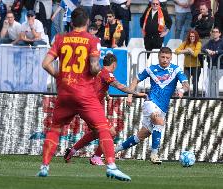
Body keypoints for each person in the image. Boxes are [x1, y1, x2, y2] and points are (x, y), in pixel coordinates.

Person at [37, 7, 131, 181]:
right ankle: (111, 165)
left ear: (71, 22)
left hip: (64, 93)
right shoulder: (92, 40)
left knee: (55, 128)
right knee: (103, 128)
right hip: (84, 93)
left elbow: (45, 64)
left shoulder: (60, 39)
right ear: (87, 22)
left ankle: (44, 166)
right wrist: (96, 73)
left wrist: (59, 75)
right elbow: (95, 67)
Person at [63, 53, 146, 166]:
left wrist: (106, 94)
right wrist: (137, 93)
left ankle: (71, 151)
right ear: (114, 64)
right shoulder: (107, 74)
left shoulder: (99, 72)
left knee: (96, 133)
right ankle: (96, 157)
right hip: (90, 108)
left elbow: (97, 85)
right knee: (110, 132)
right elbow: (119, 86)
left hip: (84, 106)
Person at [115, 47, 189, 164]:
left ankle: (114, 150)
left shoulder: (176, 70)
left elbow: (186, 84)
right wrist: (130, 95)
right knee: (159, 121)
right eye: (163, 57)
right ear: (159, 57)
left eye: (167, 58)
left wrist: (182, 90)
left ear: (171, 58)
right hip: (150, 102)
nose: (165, 60)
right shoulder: (151, 69)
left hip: (163, 107)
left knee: (142, 134)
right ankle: (154, 155)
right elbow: (135, 80)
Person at [175, 29, 201, 97]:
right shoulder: (185, 43)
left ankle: (195, 96)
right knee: (185, 81)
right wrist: (187, 50)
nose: (192, 38)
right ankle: (186, 95)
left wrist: (190, 51)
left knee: (195, 82)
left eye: (193, 36)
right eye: (190, 36)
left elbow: (195, 54)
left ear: (196, 37)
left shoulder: (198, 43)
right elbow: (176, 51)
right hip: (187, 66)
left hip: (196, 66)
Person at [202, 27, 223, 97]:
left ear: (219, 34)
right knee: (209, 82)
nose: (214, 33)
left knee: (214, 82)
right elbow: (203, 48)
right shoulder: (210, 41)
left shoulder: (222, 42)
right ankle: (209, 98)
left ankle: (214, 99)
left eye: (216, 32)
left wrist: (216, 52)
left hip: (220, 66)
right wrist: (208, 51)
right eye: (213, 32)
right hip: (210, 66)